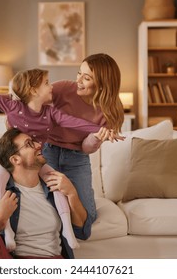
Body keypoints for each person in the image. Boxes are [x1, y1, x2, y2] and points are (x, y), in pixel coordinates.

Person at [0, 68, 118, 251]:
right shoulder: (14, 106)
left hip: (37, 159)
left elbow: (73, 122)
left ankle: (68, 229)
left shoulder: (50, 113)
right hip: (13, 159)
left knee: (57, 187)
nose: (51, 86)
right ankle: (8, 230)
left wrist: (100, 129)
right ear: (34, 90)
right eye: (46, 83)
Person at [0, 128, 90, 259]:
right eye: (29, 144)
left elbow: (83, 232)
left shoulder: (56, 188)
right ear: (15, 159)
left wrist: (72, 193)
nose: (39, 145)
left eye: (35, 141)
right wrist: (0, 218)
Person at [42, 53, 124, 233]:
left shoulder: (110, 111)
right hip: (47, 150)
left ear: (103, 84)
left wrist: (96, 137)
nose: (78, 80)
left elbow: (86, 148)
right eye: (79, 73)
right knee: (45, 207)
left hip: (77, 158)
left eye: (86, 78)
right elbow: (35, 104)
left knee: (87, 218)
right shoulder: (63, 88)